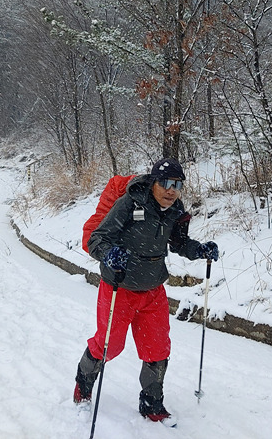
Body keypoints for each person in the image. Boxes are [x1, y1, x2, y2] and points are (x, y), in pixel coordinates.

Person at [73, 157, 219, 424]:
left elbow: (179, 243)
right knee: (108, 346)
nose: (171, 190)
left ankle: (152, 404)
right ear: (154, 182)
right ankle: (83, 386)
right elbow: (97, 238)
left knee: (158, 348)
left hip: (153, 290)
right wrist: (109, 254)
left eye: (177, 185)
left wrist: (199, 250)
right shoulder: (130, 203)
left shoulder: (175, 210)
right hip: (119, 288)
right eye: (166, 183)